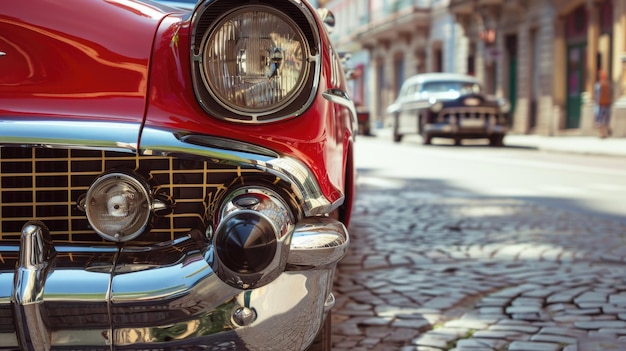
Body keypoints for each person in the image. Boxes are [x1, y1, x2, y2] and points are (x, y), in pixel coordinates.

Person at [594, 70, 612, 138]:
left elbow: (596, 96)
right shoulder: (608, 85)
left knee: (600, 120)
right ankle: (604, 133)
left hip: (600, 105)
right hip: (606, 104)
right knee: (605, 120)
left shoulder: (598, 85)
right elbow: (611, 94)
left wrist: (596, 105)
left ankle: (602, 133)